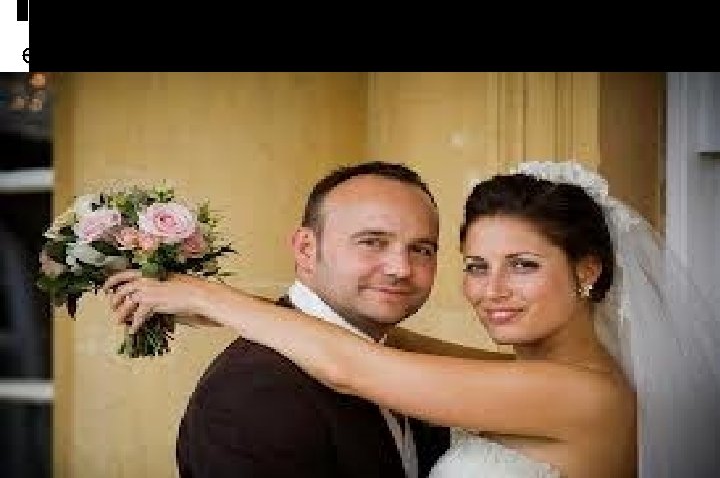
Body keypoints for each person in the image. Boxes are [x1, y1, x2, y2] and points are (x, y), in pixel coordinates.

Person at [105, 161, 720, 477]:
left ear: (587, 270)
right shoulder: (555, 376)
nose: (492, 292)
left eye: (524, 265)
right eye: (475, 266)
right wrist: (261, 311)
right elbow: (384, 344)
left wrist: (207, 296)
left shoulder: (581, 396)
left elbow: (354, 365)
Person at [111, 161, 471, 478]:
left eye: (421, 249)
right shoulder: (250, 393)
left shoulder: (413, 367)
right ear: (306, 249)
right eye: (372, 242)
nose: (401, 268)